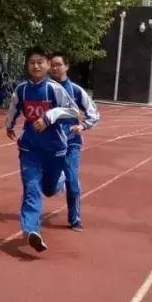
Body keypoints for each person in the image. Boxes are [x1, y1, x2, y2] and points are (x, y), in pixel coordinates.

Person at [5, 49, 80, 252]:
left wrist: (50, 116)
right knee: (31, 188)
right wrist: (9, 126)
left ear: (47, 65)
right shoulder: (21, 90)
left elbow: (74, 112)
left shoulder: (54, 89)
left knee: (49, 188)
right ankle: (31, 230)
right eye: (32, 62)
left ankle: (60, 181)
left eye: (40, 62)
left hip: (54, 148)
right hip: (29, 147)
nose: (36, 66)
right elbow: (14, 109)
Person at [48, 53, 100, 231]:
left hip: (71, 143)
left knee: (72, 180)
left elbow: (93, 113)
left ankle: (75, 219)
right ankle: (58, 180)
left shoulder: (75, 91)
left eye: (58, 65)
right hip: (50, 143)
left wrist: (83, 126)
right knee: (49, 185)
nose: (55, 68)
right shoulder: (44, 89)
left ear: (66, 67)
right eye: (52, 65)